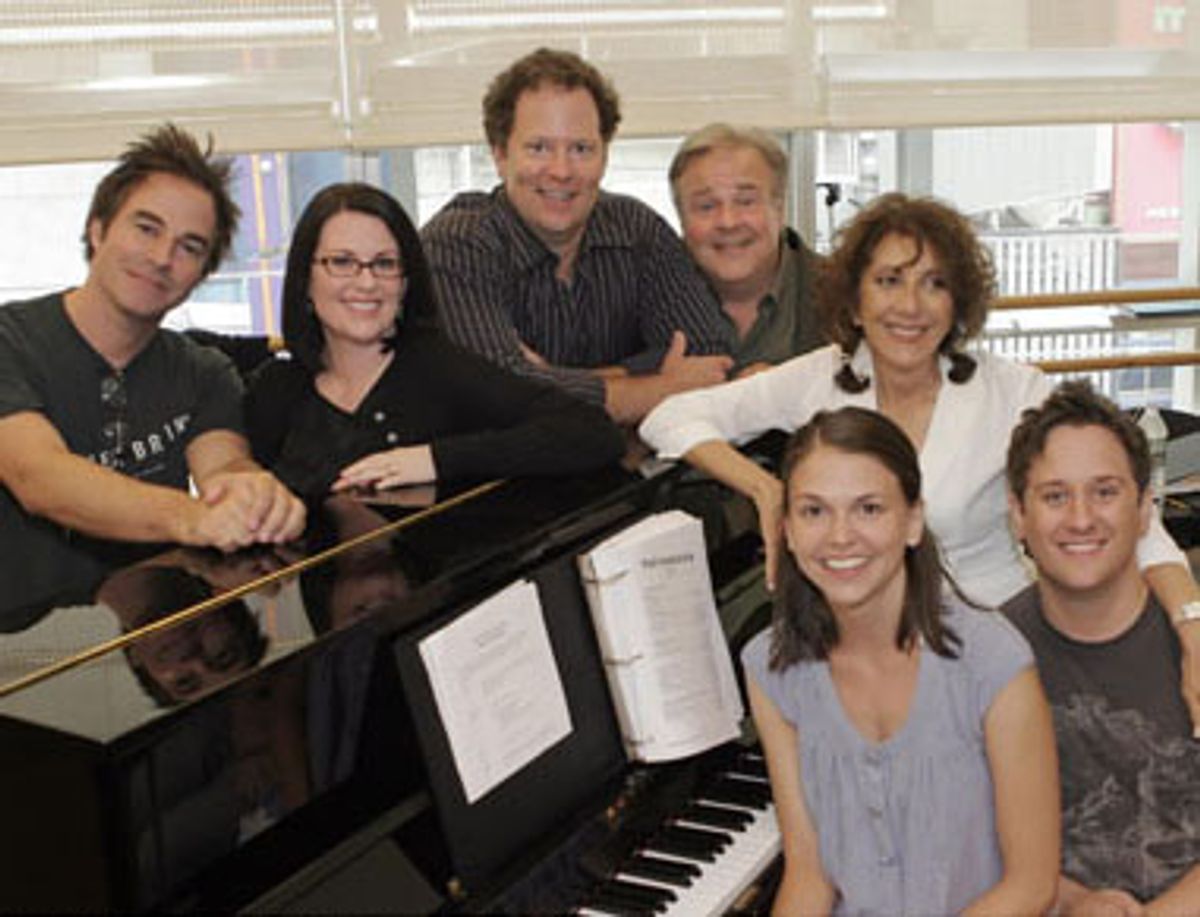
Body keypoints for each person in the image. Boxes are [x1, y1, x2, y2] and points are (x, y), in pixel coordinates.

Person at [639, 192, 1200, 721]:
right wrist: (766, 490)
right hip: (860, 653)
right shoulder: (821, 377)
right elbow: (668, 418)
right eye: (888, 281)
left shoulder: (1013, 392)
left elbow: (1126, 514)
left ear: (957, 303)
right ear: (855, 300)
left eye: (934, 284)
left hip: (996, 655)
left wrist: (1191, 621)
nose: (910, 306)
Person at [743, 406, 1059, 914]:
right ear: (788, 530)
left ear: (913, 521)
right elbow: (809, 873)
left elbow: (1032, 884)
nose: (840, 535)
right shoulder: (770, 665)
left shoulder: (994, 661)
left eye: (869, 508)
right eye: (814, 511)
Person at [0, 124, 306, 614]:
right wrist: (189, 517)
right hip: (24, 654)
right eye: (146, 228)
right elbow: (38, 476)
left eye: (190, 247)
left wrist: (256, 498)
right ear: (97, 229)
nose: (162, 258)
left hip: (141, 631)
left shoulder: (205, 373)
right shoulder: (10, 342)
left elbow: (224, 466)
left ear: (201, 275)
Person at [245, 182, 626, 499]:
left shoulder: (440, 370)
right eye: (342, 262)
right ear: (305, 280)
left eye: (385, 264)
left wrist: (434, 460)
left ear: (406, 283)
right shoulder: (275, 389)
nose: (366, 282)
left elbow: (592, 433)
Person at [421, 47, 734, 424]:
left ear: (604, 155)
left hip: (633, 472)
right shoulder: (457, 245)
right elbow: (497, 395)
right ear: (500, 155)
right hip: (501, 478)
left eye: (581, 149)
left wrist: (550, 377)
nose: (561, 171)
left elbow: (709, 357)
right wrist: (660, 386)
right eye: (539, 148)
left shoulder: (637, 230)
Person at [1003, 381, 1200, 915]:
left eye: (1105, 492)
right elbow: (979, 836)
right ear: (1018, 513)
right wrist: (1075, 904)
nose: (1081, 518)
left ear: (1144, 510)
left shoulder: (1194, 643)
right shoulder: (987, 660)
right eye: (1055, 495)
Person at [669, 123, 824, 371]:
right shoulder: (642, 297)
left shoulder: (848, 295)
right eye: (706, 206)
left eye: (746, 201)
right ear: (681, 218)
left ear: (779, 207)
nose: (728, 222)